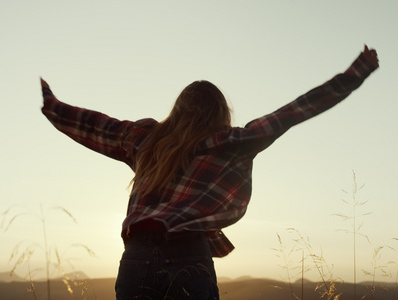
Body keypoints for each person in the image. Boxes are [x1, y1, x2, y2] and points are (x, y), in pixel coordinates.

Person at [40, 45, 379, 300]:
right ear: (220, 112)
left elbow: (95, 125)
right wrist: (355, 75)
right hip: (188, 254)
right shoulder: (231, 142)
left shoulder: (145, 139)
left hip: (136, 257)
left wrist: (51, 104)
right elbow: (295, 111)